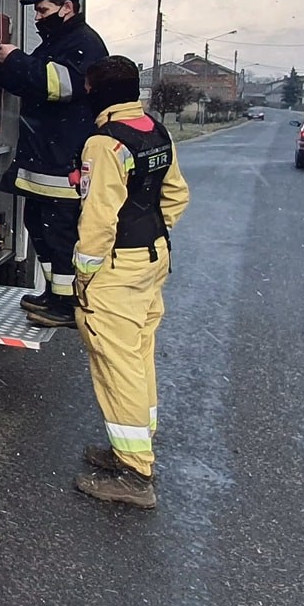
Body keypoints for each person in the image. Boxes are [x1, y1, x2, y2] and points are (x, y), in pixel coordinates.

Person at [69, 56, 189, 510]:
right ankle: (132, 449)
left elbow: (98, 220)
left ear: (96, 91)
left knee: (117, 363)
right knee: (137, 356)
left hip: (116, 270)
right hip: (152, 261)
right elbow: (176, 194)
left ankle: (136, 475)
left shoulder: (104, 143)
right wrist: (151, 231)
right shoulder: (156, 131)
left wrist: (84, 274)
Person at [0, 0, 108, 328]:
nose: (37, 17)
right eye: (36, 11)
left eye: (43, 10)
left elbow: (58, 87)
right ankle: (53, 294)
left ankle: (66, 305)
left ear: (67, 8)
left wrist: (15, 57)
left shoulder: (84, 43)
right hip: (45, 158)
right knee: (39, 225)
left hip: (63, 161)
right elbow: (30, 82)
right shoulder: (58, 41)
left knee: (60, 233)